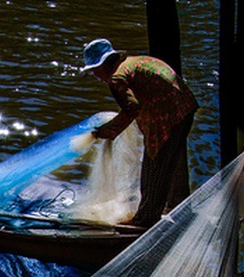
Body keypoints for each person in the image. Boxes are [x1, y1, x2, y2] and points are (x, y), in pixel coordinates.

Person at [81, 38, 199, 227]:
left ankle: (145, 222)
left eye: (95, 70)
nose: (96, 75)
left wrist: (108, 131)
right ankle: (149, 213)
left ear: (104, 65)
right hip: (183, 109)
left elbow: (131, 108)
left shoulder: (117, 78)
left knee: (156, 169)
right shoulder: (133, 62)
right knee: (156, 165)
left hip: (167, 117)